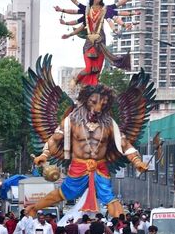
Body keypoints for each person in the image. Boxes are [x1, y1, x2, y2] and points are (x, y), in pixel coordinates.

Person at [27, 84, 149, 217]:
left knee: (109, 197)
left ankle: (122, 226)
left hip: (100, 167)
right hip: (78, 166)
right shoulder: (71, 121)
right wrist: (44, 155)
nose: (98, 108)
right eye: (94, 102)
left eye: (103, 104)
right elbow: (54, 140)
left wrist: (137, 162)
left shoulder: (110, 124)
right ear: (85, 100)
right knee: (63, 193)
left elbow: (125, 144)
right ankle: (34, 207)